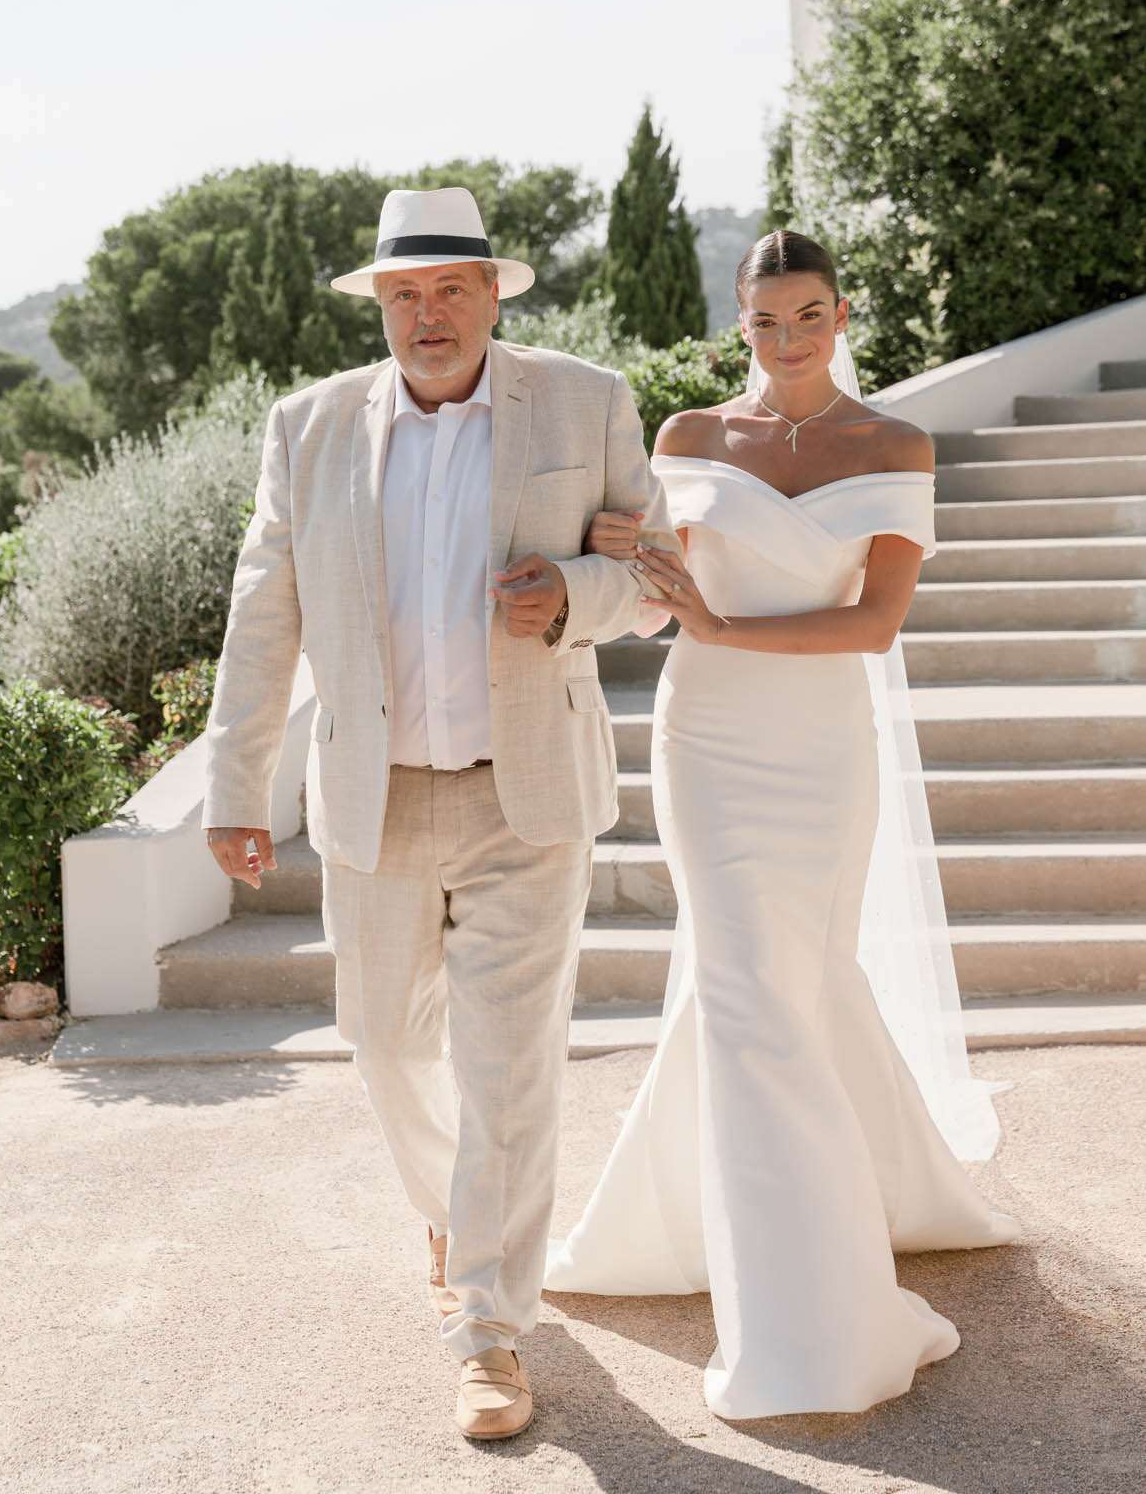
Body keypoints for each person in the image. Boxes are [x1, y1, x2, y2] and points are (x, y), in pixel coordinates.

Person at [201, 185, 676, 1442]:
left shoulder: (586, 400)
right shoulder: (305, 428)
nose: (428, 314)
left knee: (509, 1074)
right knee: (385, 1039)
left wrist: (575, 594)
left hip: (527, 795)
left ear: (493, 292)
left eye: (451, 288)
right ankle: (455, 1216)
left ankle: (491, 1330)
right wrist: (234, 786)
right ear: (380, 305)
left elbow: (658, 577)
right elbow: (266, 616)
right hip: (375, 793)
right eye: (405, 294)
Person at [545, 228, 1020, 1419]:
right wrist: (629, 564)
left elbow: (872, 623)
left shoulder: (894, 443)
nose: (789, 339)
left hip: (818, 746)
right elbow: (666, 605)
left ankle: (760, 1223)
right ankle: (808, 1315)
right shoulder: (691, 438)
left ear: (843, 311)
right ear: (740, 324)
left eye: (810, 314)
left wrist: (721, 625)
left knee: (787, 978)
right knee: (752, 986)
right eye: (766, 320)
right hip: (705, 740)